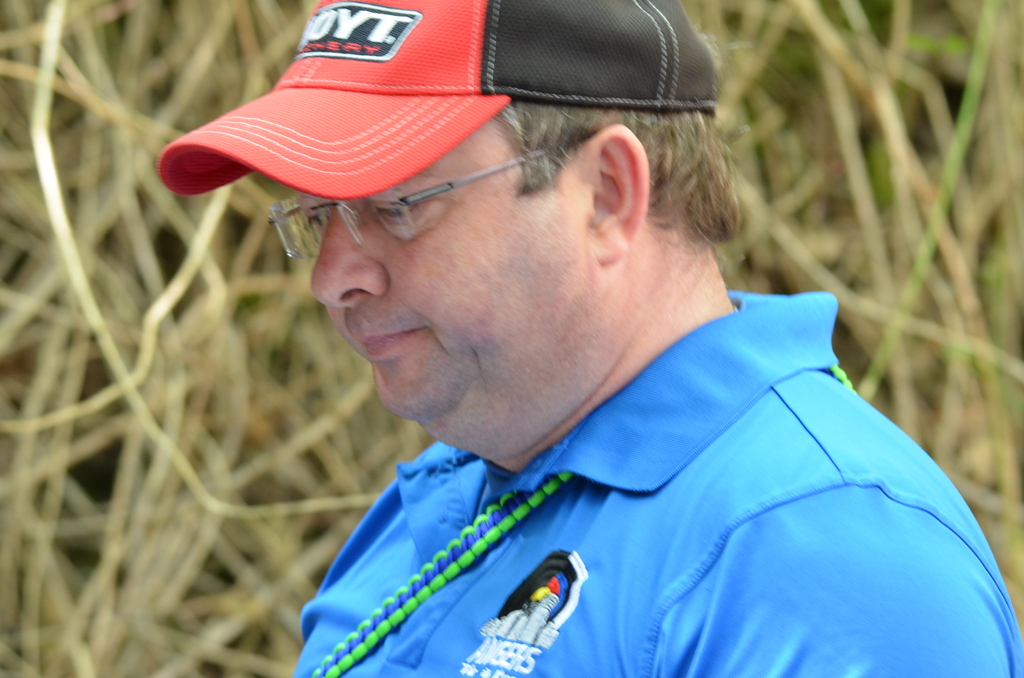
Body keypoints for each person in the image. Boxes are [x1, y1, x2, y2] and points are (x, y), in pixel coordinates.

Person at [158, 1, 1024, 676]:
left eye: (398, 204)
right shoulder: (452, 493)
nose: (331, 276)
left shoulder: (818, 546)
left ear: (607, 194)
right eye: (317, 215)